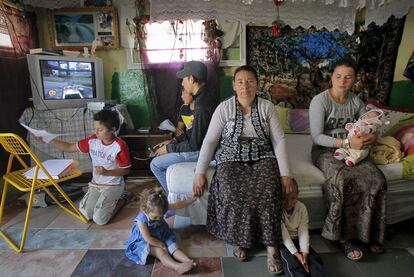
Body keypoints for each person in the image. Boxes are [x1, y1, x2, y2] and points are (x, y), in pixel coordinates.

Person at [192, 65, 294, 275]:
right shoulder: (224, 108)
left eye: (250, 81)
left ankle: (272, 248)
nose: (245, 86)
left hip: (262, 155)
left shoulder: (267, 107)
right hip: (230, 157)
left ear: (257, 84)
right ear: (233, 85)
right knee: (230, 190)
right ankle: (239, 239)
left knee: (269, 191)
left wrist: (285, 174)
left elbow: (279, 141)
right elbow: (210, 141)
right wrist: (199, 172)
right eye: (240, 81)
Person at [309, 56, 386, 261]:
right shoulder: (320, 101)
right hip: (326, 150)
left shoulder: (356, 101)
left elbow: (368, 124)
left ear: (354, 80)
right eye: (338, 76)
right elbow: (317, 136)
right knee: (343, 180)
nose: (342, 81)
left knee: (376, 178)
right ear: (331, 77)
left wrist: (371, 136)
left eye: (348, 77)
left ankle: (370, 233)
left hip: (354, 150)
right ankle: (345, 238)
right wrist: (346, 144)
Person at [44, 109, 131, 225]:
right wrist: (47, 139)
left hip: (113, 185)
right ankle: (105, 202)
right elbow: (69, 147)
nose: (96, 132)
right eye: (95, 128)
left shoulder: (119, 146)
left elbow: (126, 170)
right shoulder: (92, 141)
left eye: (100, 129)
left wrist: (107, 172)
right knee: (85, 215)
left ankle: (124, 197)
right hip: (96, 184)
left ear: (113, 129)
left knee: (100, 220)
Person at [150, 61, 217, 193]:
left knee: (155, 165)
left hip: (203, 151)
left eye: (184, 79)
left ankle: (173, 198)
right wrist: (173, 142)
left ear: (191, 78)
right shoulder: (204, 98)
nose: (182, 83)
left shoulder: (201, 105)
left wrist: (169, 149)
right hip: (200, 146)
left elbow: (195, 144)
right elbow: (193, 132)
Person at [125, 187, 197, 274]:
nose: (159, 219)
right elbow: (148, 238)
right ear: (145, 209)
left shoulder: (160, 207)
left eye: (161, 216)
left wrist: (191, 200)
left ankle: (189, 261)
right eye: (155, 217)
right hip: (146, 240)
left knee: (173, 246)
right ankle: (177, 267)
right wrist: (161, 245)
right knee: (160, 252)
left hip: (162, 233)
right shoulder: (141, 220)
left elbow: (177, 205)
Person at [279, 179, 332, 277]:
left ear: (298, 194)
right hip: (284, 242)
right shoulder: (278, 209)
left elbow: (303, 230)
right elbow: (283, 234)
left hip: (298, 239)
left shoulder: (302, 207)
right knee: (292, 263)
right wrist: (295, 253)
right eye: (284, 199)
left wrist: (304, 252)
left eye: (293, 198)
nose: (289, 202)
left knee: (313, 260)